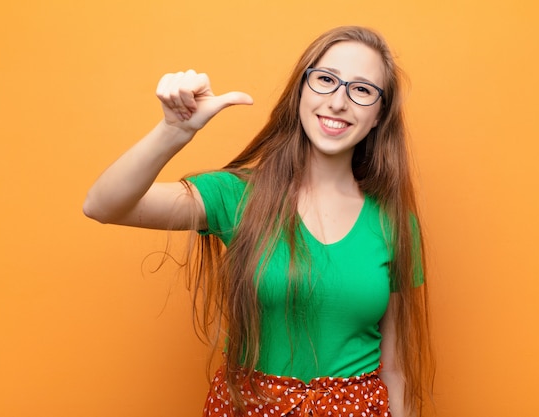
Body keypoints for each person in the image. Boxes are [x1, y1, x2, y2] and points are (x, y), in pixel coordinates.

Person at [84, 26, 433, 417]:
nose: (338, 101)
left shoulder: (395, 224)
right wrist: (173, 131)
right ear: (300, 91)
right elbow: (102, 205)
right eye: (325, 80)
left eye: (362, 90)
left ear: (378, 116)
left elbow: (397, 370)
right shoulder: (236, 196)